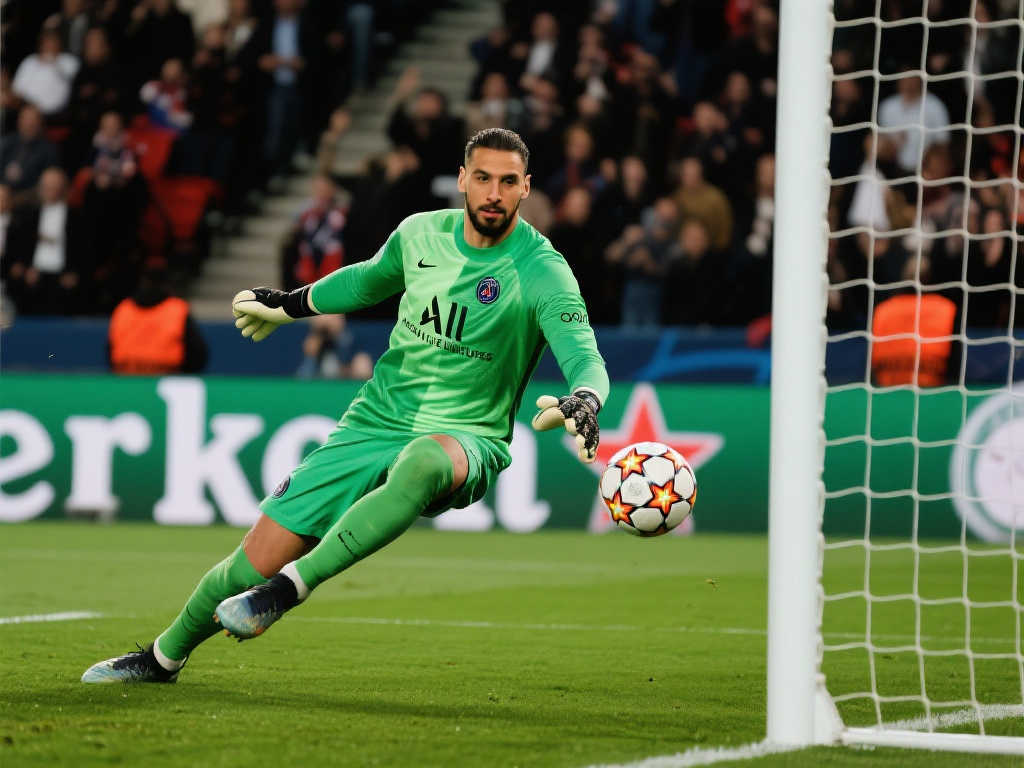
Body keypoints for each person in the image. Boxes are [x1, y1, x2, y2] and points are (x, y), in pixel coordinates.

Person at [81, 127, 609, 683]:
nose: (493, 193)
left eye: (507, 181)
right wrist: (290, 304)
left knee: (422, 462)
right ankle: (162, 658)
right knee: (247, 565)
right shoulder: (420, 234)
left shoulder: (543, 270)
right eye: (482, 178)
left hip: (467, 436)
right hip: (374, 422)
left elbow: (583, 353)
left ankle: (288, 589)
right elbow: (366, 282)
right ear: (462, 179)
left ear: (526, 187)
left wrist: (585, 396)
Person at [107, 269, 209, 375]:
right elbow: (197, 354)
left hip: (125, 376)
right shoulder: (177, 309)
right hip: (167, 376)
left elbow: (110, 350)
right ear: (167, 285)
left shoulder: (124, 308)